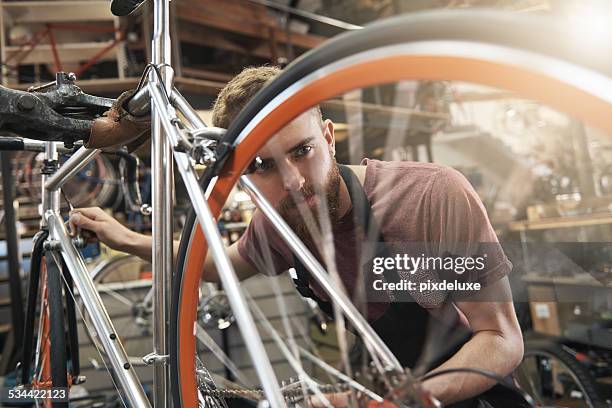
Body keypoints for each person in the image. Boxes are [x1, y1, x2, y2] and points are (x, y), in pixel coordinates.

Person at [70, 66, 526, 408]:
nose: (292, 182)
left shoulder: (429, 197)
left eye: (301, 151)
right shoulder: (282, 223)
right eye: (262, 166)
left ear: (328, 138)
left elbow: (501, 339)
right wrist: (126, 237)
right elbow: (214, 264)